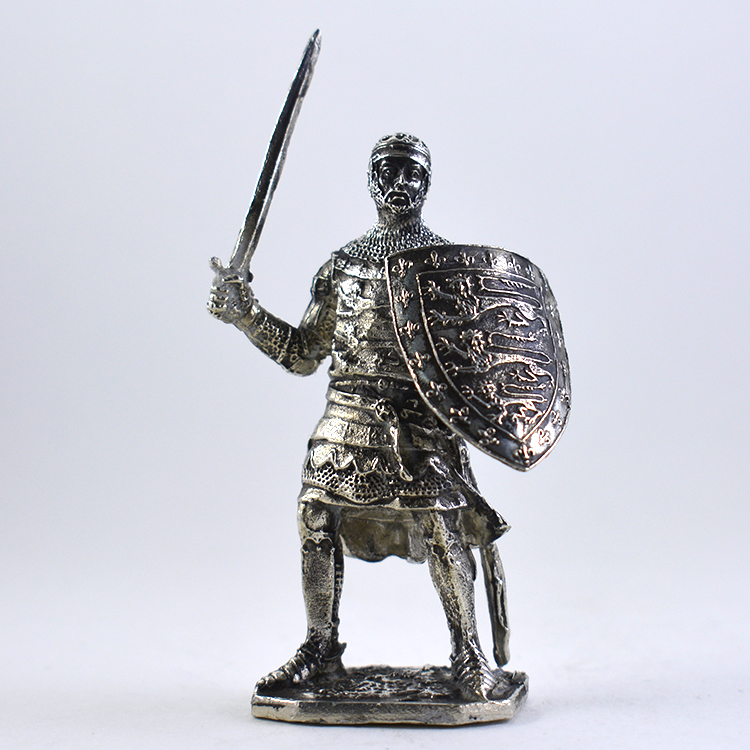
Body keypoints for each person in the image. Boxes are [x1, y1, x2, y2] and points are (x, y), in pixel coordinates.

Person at [208, 133, 510, 700]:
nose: (401, 183)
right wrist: (248, 317)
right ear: (372, 181)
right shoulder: (342, 267)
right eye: (389, 172)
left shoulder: (446, 268)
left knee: (441, 527)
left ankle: (468, 655)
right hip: (346, 413)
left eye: (412, 173)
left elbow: (476, 361)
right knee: (314, 513)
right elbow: (303, 354)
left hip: (418, 423)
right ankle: (321, 647)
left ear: (427, 183)